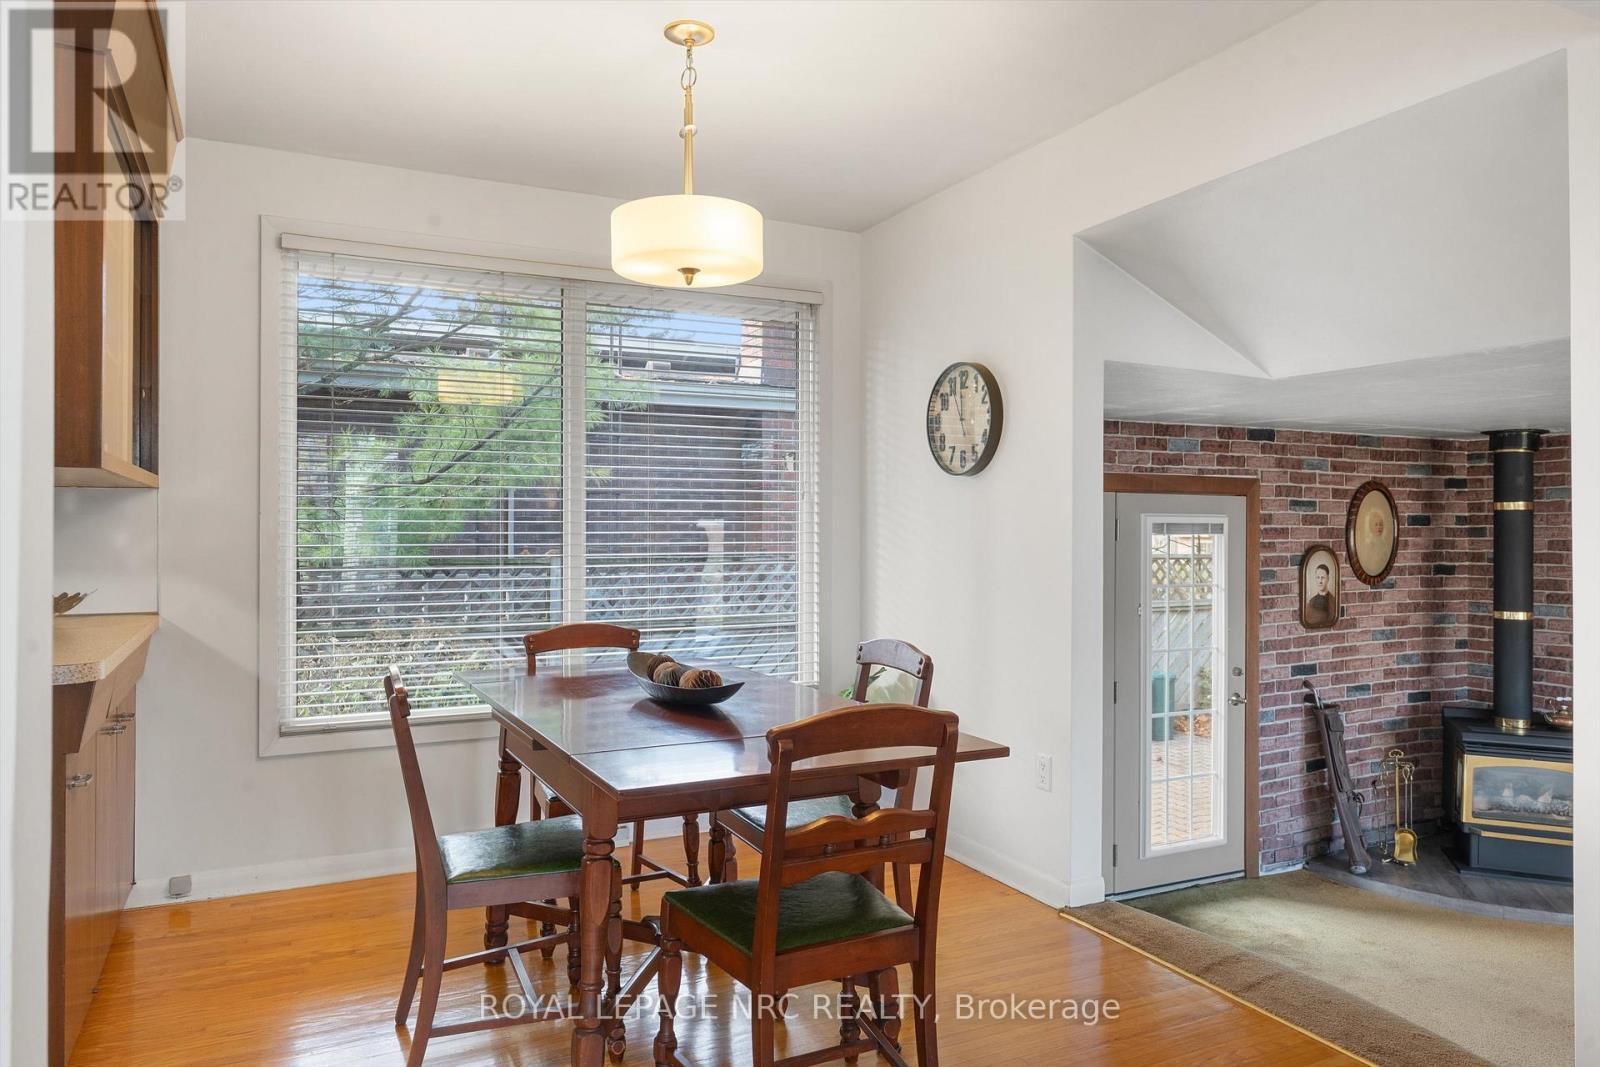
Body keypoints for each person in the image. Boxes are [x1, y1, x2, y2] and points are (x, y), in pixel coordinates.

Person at [1305, 561, 1336, 625]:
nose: (1320, 581)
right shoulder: (1311, 602)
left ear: (1328, 579)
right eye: (1318, 577)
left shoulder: (1334, 601)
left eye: (1323, 578)